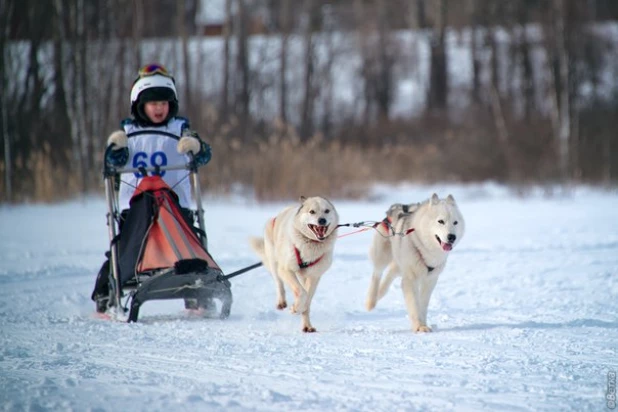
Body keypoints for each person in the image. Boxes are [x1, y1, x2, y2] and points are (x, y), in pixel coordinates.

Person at [91, 63, 211, 312]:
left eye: (164, 102)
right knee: (121, 247)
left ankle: (198, 290)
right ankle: (105, 293)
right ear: (140, 105)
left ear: (172, 104)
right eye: (153, 103)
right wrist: (115, 151)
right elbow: (113, 163)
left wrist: (196, 148)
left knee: (192, 239)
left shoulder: (181, 130)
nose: (159, 108)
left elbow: (203, 156)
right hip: (136, 210)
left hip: (175, 207)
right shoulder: (128, 132)